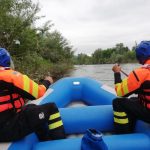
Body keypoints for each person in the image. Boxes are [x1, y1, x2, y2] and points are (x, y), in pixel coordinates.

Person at [0, 48, 65, 142]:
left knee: (30, 107)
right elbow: (38, 92)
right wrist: (47, 82)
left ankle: (44, 140)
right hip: (6, 129)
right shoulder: (8, 75)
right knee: (51, 108)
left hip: (5, 122)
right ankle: (60, 143)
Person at [112, 41, 150, 134]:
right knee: (133, 99)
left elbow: (120, 92)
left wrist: (117, 73)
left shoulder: (140, 73)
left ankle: (123, 133)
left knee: (118, 102)